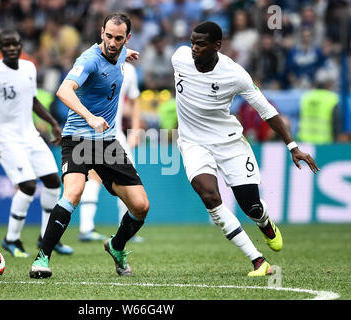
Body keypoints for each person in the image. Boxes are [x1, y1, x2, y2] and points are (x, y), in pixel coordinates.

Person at [171, 21, 320, 276]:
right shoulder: (180, 58)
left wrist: (292, 146)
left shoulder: (234, 74)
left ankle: (265, 223)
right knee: (209, 196)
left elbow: (266, 110)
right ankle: (258, 261)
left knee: (250, 206)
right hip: (193, 143)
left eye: (201, 44)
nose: (194, 48)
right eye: (192, 41)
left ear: (217, 46)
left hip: (229, 143)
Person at [29, 13, 149, 279]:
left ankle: (116, 246)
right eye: (108, 36)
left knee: (141, 207)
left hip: (107, 143)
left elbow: (118, 54)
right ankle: (42, 258)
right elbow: (64, 90)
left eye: (119, 39)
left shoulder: (120, 51)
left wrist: (126, 53)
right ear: (101, 32)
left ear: (127, 38)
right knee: (73, 192)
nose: (112, 43)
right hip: (78, 139)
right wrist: (90, 116)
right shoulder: (89, 59)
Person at [0, 29, 73, 258]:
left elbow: (33, 100)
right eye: (6, 45)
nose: (11, 48)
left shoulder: (29, 68)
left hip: (29, 134)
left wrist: (53, 123)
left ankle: (46, 237)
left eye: (14, 44)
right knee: (28, 186)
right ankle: (11, 239)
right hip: (5, 138)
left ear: (21, 45)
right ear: (0, 48)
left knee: (53, 182)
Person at [78, 61, 143, 242]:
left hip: (116, 133)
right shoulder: (93, 64)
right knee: (93, 177)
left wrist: (136, 131)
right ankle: (86, 228)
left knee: (129, 178)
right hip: (91, 130)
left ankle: (126, 230)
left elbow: (135, 101)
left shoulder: (129, 71)